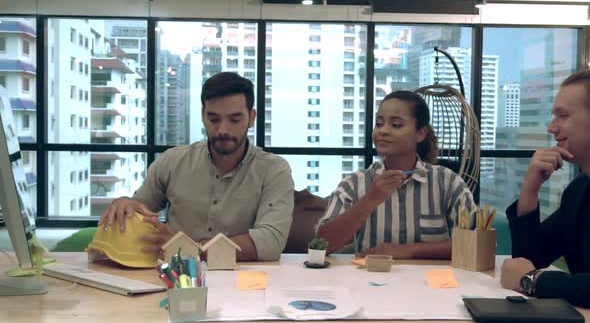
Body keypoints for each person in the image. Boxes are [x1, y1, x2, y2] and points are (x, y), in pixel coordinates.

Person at [98, 72, 294, 261]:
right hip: (173, 276)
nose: (223, 130)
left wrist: (191, 248)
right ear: (202, 115)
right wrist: (127, 205)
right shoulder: (172, 161)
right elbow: (142, 212)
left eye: (235, 120)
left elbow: (270, 242)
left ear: (251, 118)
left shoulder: (274, 170)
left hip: (243, 281)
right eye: (214, 119)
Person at [317, 90, 476, 259]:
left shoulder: (448, 182)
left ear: (420, 133)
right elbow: (321, 245)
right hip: (367, 282)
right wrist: (370, 199)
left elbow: (475, 244)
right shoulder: (355, 183)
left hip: (433, 283)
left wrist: (405, 251)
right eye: (379, 124)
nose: (383, 131)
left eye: (396, 125)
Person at [500, 69, 590, 308]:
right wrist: (530, 190)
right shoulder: (579, 191)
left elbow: (527, 274)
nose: (551, 128)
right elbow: (529, 259)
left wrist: (534, 281)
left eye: (562, 116)